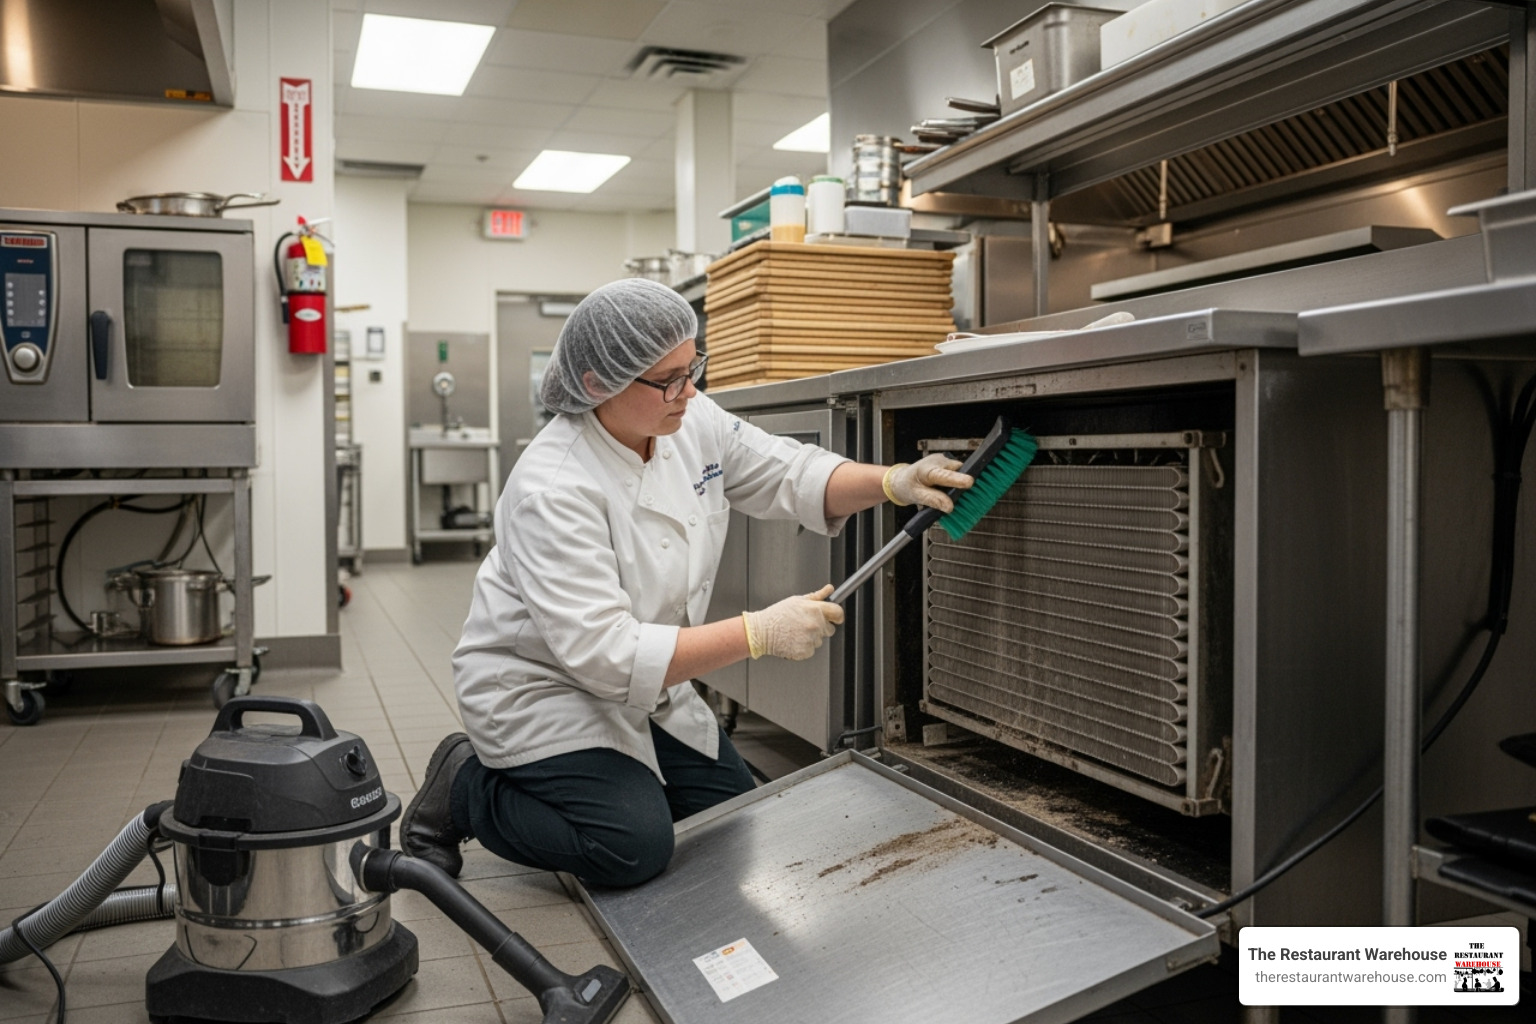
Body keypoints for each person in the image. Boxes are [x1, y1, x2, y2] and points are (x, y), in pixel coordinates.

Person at [402, 278, 972, 887]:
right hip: (547, 688)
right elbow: (607, 655)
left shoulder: (687, 416)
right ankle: (466, 786)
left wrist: (894, 481)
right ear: (598, 383)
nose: (690, 389)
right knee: (630, 848)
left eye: (692, 365)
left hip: (648, 683)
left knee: (729, 818)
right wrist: (758, 633)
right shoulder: (553, 488)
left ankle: (620, 781)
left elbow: (788, 471)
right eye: (669, 378)